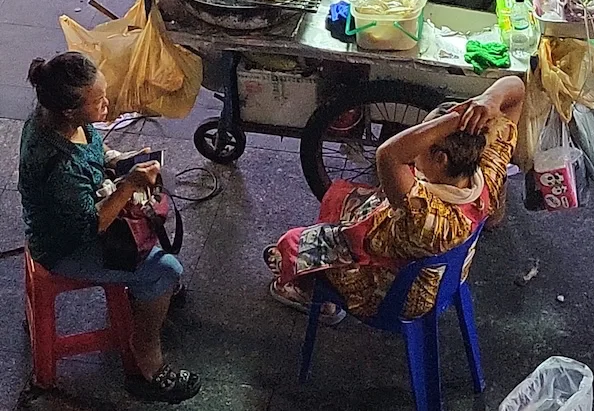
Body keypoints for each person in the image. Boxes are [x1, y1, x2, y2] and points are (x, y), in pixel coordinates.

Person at [264, 76, 525, 324]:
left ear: (440, 159)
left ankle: (311, 295)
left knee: (293, 244)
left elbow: (388, 155)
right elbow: (516, 89)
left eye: (422, 142)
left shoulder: (429, 217)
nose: (414, 153)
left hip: (399, 294)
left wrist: (454, 120)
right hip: (447, 275)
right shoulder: (487, 173)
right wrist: (489, 99)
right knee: (348, 204)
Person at [18, 52, 201, 403]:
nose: (107, 103)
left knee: (150, 239)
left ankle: (147, 295)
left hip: (78, 213)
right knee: (166, 269)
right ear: (70, 110)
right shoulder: (60, 165)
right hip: (64, 247)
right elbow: (92, 226)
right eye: (98, 100)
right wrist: (128, 185)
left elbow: (95, 152)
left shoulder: (57, 117)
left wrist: (121, 162)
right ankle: (147, 365)